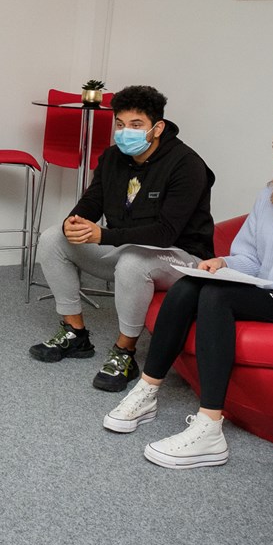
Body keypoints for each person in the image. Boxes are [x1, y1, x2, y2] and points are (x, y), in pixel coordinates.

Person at [104, 110, 273, 470]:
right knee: (192, 284)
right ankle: (148, 390)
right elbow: (251, 256)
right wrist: (224, 264)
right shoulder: (271, 195)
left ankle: (210, 429)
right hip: (270, 292)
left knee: (217, 296)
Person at [30, 85, 216, 395]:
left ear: (157, 128)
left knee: (133, 261)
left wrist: (103, 234)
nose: (124, 131)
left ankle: (125, 353)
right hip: (125, 247)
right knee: (52, 238)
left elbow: (165, 232)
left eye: (135, 125)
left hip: (181, 258)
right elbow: (94, 200)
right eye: (120, 123)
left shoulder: (187, 165)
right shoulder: (113, 157)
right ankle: (75, 332)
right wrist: (74, 221)